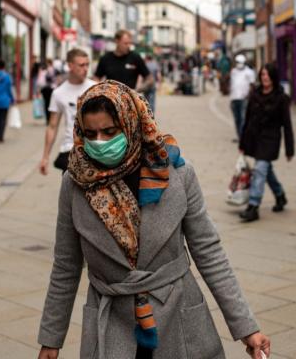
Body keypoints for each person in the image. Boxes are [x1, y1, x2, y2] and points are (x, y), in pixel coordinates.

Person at [36, 81, 270, 358]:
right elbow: (66, 266)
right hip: (110, 322)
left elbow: (209, 251)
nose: (99, 142)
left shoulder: (176, 173)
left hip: (178, 318)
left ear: (131, 123)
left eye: (109, 132)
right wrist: (51, 339)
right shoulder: (75, 183)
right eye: (91, 134)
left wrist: (246, 327)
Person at [238, 63, 295, 223]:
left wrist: (290, 149)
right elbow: (247, 119)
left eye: (268, 75)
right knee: (265, 170)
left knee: (260, 169)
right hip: (254, 138)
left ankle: (253, 206)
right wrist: (242, 143)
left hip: (271, 139)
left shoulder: (282, 98)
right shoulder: (254, 94)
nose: (265, 78)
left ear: (273, 77)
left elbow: (287, 125)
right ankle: (280, 195)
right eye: (262, 74)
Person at [39, 49, 96, 175]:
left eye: (87, 65)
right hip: (70, 149)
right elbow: (52, 126)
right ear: (70, 66)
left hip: (94, 148)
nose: (86, 69)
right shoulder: (58, 93)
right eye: (81, 65)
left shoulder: (95, 88)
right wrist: (45, 157)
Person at [228, 54, 256, 142]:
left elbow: (252, 85)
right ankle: (240, 136)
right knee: (237, 119)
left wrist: (249, 95)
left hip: (244, 98)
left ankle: (244, 137)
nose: (238, 64)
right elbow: (232, 83)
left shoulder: (249, 72)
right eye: (237, 62)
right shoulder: (233, 71)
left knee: (243, 118)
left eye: (240, 62)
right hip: (234, 98)